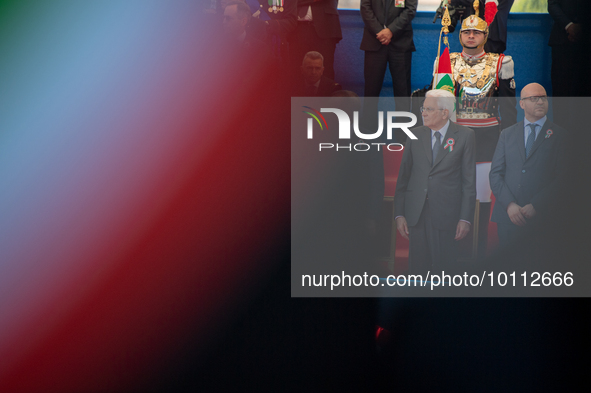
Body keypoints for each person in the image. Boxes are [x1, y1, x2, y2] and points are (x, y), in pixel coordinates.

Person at [448, 6, 516, 258]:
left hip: (488, 140)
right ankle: (450, 257)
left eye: (477, 32)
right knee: (451, 198)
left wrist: (509, 144)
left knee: (481, 201)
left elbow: (509, 109)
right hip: (454, 141)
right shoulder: (446, 60)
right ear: (460, 35)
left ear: (486, 35)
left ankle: (476, 256)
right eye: (466, 32)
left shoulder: (502, 62)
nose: (471, 36)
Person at [394, 89, 476, 275]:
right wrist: (399, 214)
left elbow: (469, 182)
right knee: (417, 272)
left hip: (447, 215)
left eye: (429, 109)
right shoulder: (414, 135)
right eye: (423, 108)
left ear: (444, 113)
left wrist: (465, 218)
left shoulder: (465, 135)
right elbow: (403, 178)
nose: (423, 113)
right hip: (416, 214)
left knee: (444, 272)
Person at [489, 83, 568, 249]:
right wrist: (509, 205)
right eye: (534, 98)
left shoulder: (560, 136)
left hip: (543, 219)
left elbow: (564, 178)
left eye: (543, 98)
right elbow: (495, 174)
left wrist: (537, 205)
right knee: (508, 271)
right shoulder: (507, 134)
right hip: (508, 218)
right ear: (522, 103)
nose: (540, 102)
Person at [360, 0, 416, 106]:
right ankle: (368, 122)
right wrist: (380, 32)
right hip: (374, 41)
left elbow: (410, 9)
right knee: (370, 91)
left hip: (401, 42)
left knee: (402, 91)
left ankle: (403, 122)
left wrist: (391, 31)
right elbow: (365, 8)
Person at [288, 0, 342, 81]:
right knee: (295, 68)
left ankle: (325, 93)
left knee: (325, 68)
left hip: (325, 27)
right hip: (297, 28)